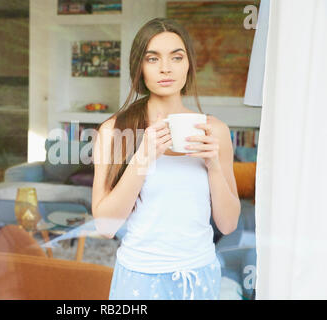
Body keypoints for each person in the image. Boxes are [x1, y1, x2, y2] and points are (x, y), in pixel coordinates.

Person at [91, 18, 241, 300]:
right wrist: (143, 157)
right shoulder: (113, 131)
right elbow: (105, 226)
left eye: (176, 57)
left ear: (188, 65)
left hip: (200, 275)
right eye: (152, 58)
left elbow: (228, 224)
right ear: (139, 67)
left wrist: (213, 166)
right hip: (139, 277)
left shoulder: (215, 131)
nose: (165, 68)